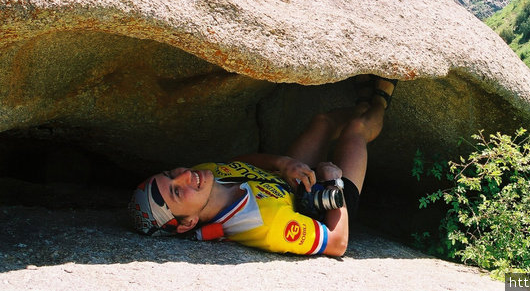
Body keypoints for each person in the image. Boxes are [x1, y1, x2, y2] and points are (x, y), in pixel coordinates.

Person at [128, 75, 397, 257]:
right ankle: (378, 103)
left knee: (322, 121)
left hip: (288, 178)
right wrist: (332, 182)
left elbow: (240, 163)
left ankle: (362, 105)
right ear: (188, 223)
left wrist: (283, 163)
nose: (184, 175)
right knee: (356, 130)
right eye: (177, 192)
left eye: (171, 174)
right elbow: (338, 243)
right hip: (328, 205)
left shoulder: (205, 175)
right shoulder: (264, 225)